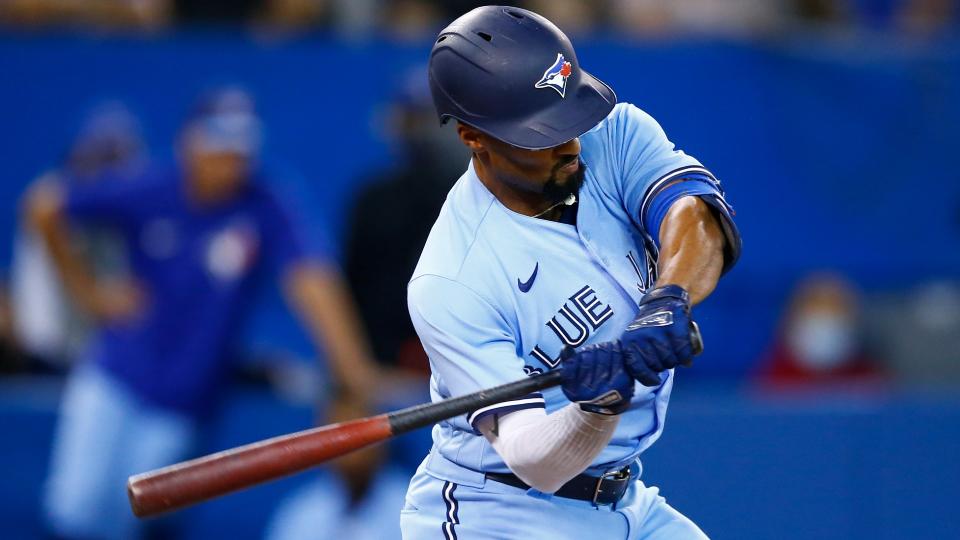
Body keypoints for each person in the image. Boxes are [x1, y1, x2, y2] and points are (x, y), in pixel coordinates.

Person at [401, 6, 740, 540]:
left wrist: (668, 297)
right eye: (542, 133)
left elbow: (695, 215)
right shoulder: (450, 280)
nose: (571, 143)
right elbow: (534, 460)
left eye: (570, 117)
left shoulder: (614, 135)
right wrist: (598, 407)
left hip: (626, 499)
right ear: (472, 135)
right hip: (499, 514)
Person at [27, 88, 379, 540]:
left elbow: (312, 279)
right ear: (189, 142)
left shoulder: (264, 202)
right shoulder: (151, 186)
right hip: (114, 377)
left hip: (183, 401)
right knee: (72, 510)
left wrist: (352, 369)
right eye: (218, 144)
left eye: (239, 148)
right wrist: (91, 295)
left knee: (132, 520)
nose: (229, 159)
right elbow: (44, 206)